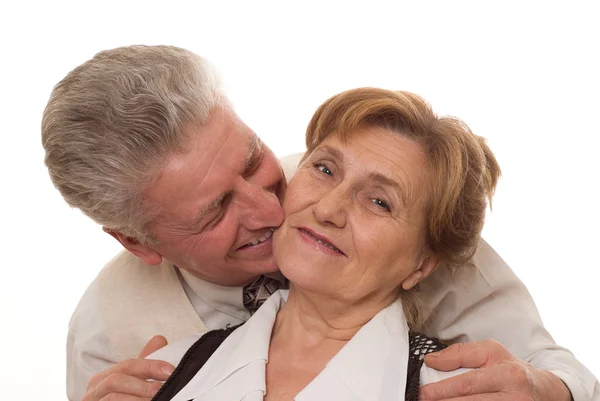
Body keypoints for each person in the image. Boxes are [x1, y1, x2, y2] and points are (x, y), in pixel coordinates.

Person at [41, 45, 598, 401]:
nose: (272, 209)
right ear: (139, 243)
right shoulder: (109, 336)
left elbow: (556, 372)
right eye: (216, 211)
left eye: (252, 160)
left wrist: (550, 391)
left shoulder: (345, 199)